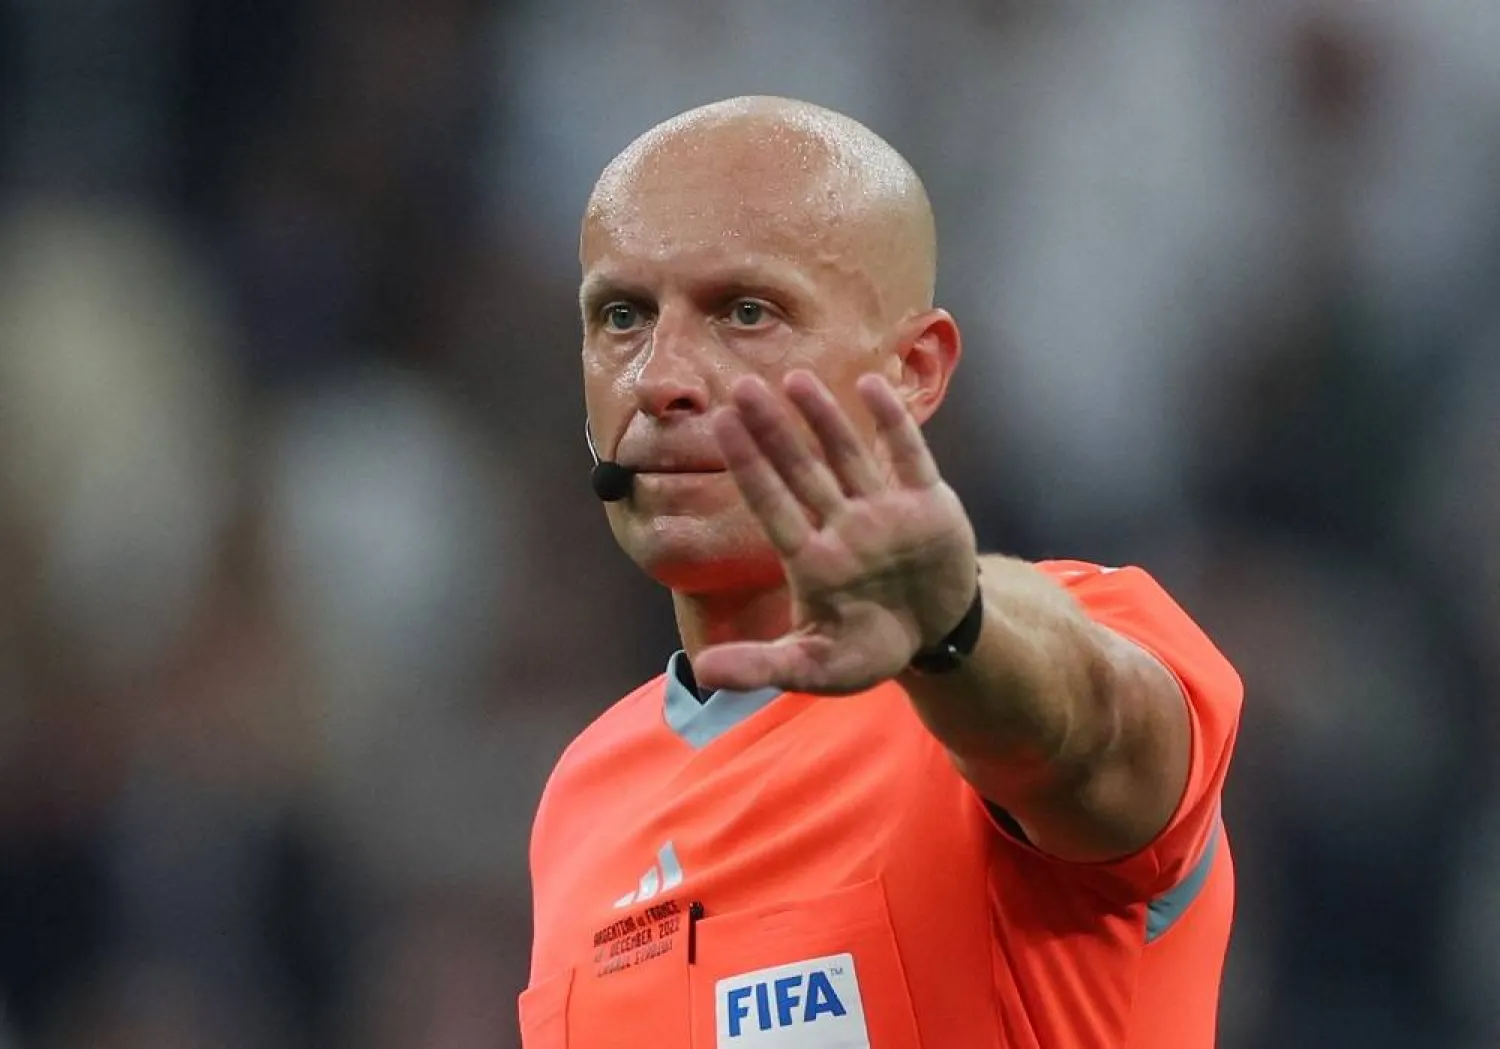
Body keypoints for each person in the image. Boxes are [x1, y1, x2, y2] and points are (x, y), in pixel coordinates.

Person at [521, 96, 1242, 1049]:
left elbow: (1089, 726)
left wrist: (954, 632)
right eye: (622, 315)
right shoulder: (580, 797)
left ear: (914, 368)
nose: (662, 378)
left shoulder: (1051, 646)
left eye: (746, 311)